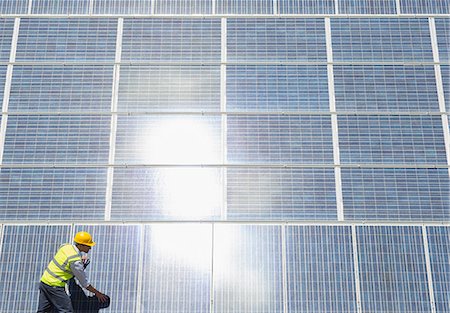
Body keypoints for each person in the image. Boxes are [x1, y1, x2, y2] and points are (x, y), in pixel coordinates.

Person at [37, 231, 108, 313]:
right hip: (55, 286)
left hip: (44, 282)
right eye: (88, 246)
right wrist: (98, 293)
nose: (90, 248)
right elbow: (85, 283)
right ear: (81, 245)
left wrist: (79, 260)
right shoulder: (75, 261)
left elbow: (66, 261)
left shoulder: (66, 246)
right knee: (67, 311)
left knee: (43, 310)